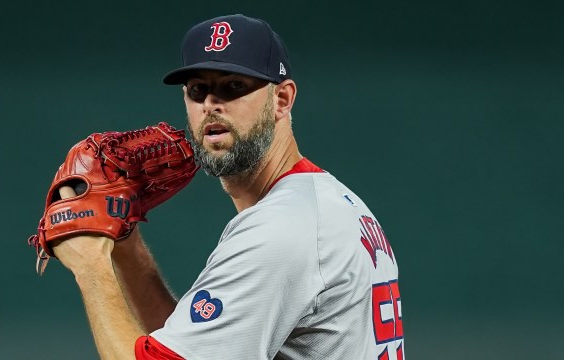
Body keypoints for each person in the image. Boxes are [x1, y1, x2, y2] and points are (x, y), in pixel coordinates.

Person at [52, 14, 404, 360]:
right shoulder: (321, 202)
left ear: (281, 100)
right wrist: (126, 245)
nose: (210, 104)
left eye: (233, 86)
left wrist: (91, 265)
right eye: (197, 90)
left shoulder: (282, 230)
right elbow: (199, 346)